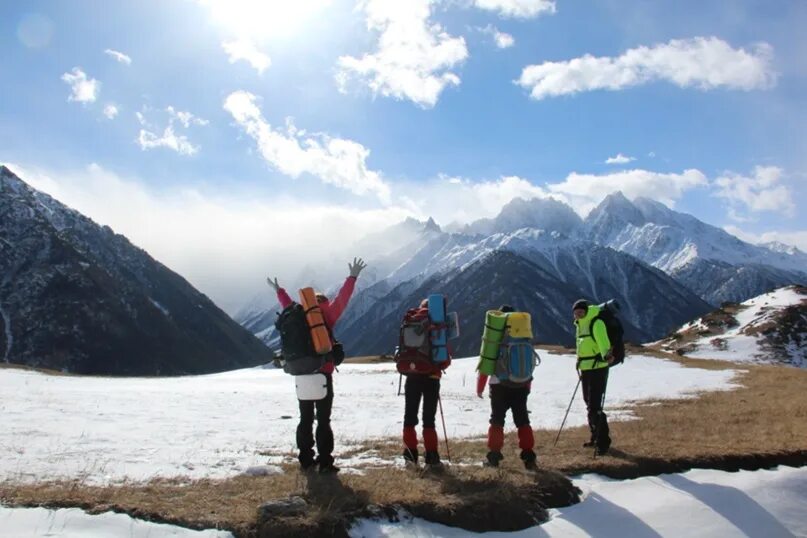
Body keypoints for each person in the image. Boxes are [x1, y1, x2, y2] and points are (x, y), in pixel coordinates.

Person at [267, 257, 366, 473]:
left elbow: (286, 304)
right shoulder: (327, 315)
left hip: (301, 374)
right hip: (322, 373)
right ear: (322, 301)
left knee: (305, 418)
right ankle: (325, 461)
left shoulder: (298, 314)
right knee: (323, 420)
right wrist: (352, 277)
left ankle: (305, 459)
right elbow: (343, 298)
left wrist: (279, 290)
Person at [476, 305, 537, 470]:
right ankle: (529, 457)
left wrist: (480, 388)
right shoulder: (523, 337)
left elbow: (486, 365)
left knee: (497, 420)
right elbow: (528, 366)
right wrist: (527, 385)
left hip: (499, 386)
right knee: (523, 420)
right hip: (521, 385)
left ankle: (493, 457)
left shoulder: (496, 339)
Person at [402, 299, 450, 469]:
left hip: (412, 375)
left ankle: (410, 457)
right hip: (432, 378)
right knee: (429, 420)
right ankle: (432, 458)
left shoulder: (411, 320)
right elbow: (444, 361)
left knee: (409, 417)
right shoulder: (437, 325)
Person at [572, 299, 613, 456]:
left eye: (580, 312)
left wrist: (606, 355)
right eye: (575, 313)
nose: (578, 315)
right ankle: (596, 437)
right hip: (586, 368)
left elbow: (603, 342)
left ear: (586, 311)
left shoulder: (596, 323)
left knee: (594, 406)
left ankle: (603, 441)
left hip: (597, 368)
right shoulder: (580, 325)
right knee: (589, 402)